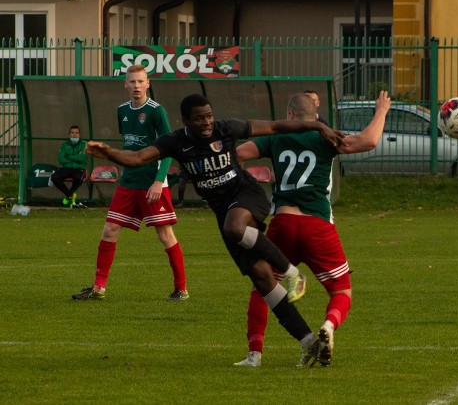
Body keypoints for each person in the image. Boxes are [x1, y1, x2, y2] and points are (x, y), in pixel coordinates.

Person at [84, 93, 345, 366]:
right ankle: (308, 342)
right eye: (200, 118)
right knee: (263, 281)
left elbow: (275, 127)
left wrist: (318, 125)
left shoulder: (225, 128)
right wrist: (110, 153)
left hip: (246, 194)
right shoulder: (176, 142)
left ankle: (293, 274)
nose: (207, 122)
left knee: (235, 227)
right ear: (186, 121)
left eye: (209, 115)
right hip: (223, 210)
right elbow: (138, 157)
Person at [233, 90, 391, 367]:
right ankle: (329, 326)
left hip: (283, 223)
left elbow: (238, 156)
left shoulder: (276, 136)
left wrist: (246, 187)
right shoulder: (324, 136)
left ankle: (254, 354)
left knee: (263, 287)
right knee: (341, 290)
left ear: (290, 116)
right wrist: (381, 111)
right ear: (315, 117)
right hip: (316, 225)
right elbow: (369, 140)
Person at [72, 64, 189, 302]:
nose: (136, 86)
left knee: (165, 234)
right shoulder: (122, 110)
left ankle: (181, 289)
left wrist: (158, 181)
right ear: (125, 84)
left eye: (140, 81)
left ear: (148, 84)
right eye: (132, 82)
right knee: (110, 229)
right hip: (129, 181)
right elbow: (129, 146)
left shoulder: (157, 111)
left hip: (151, 182)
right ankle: (98, 287)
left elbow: (169, 149)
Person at [49, 125, 87, 208]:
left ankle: (67, 197)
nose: (74, 135)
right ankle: (70, 196)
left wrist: (68, 156)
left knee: (78, 178)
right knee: (54, 177)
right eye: (72, 133)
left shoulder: (84, 144)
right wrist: (76, 157)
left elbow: (83, 158)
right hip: (66, 168)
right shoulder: (64, 145)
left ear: (79, 135)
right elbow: (61, 159)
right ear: (69, 134)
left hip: (79, 168)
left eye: (76, 133)